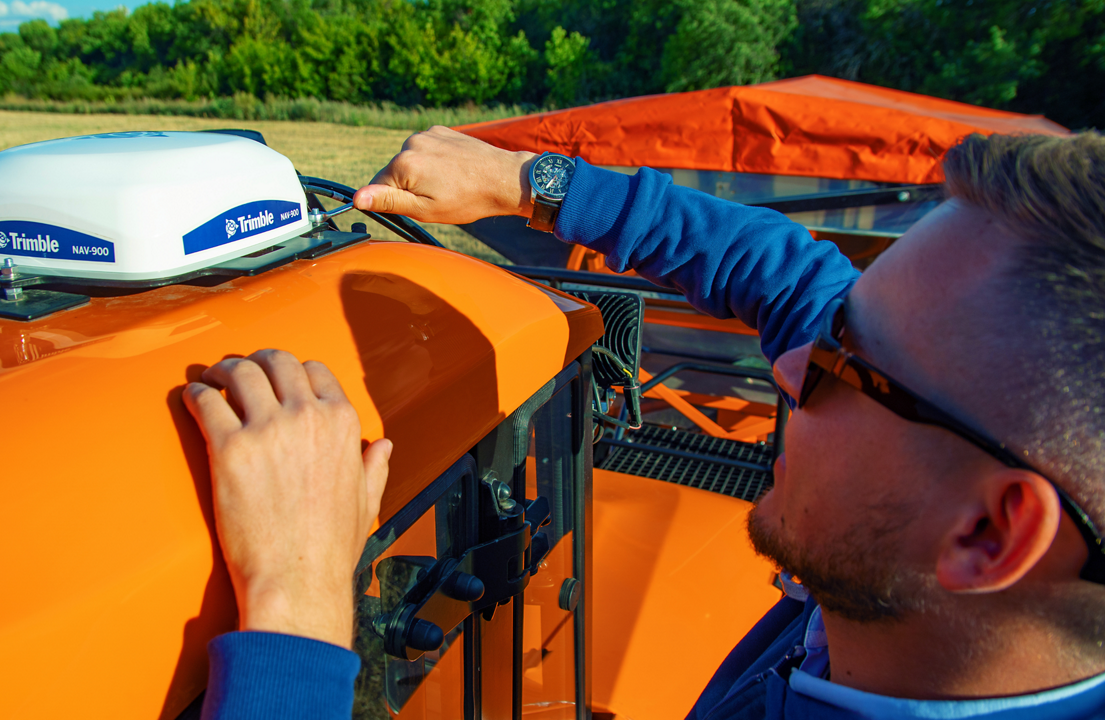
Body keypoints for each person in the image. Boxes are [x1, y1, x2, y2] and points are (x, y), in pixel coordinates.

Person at [183, 127, 1105, 719]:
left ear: (988, 535)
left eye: (843, 364)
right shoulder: (920, 581)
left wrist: (298, 611)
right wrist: (530, 182)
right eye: (834, 329)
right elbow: (790, 277)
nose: (788, 369)